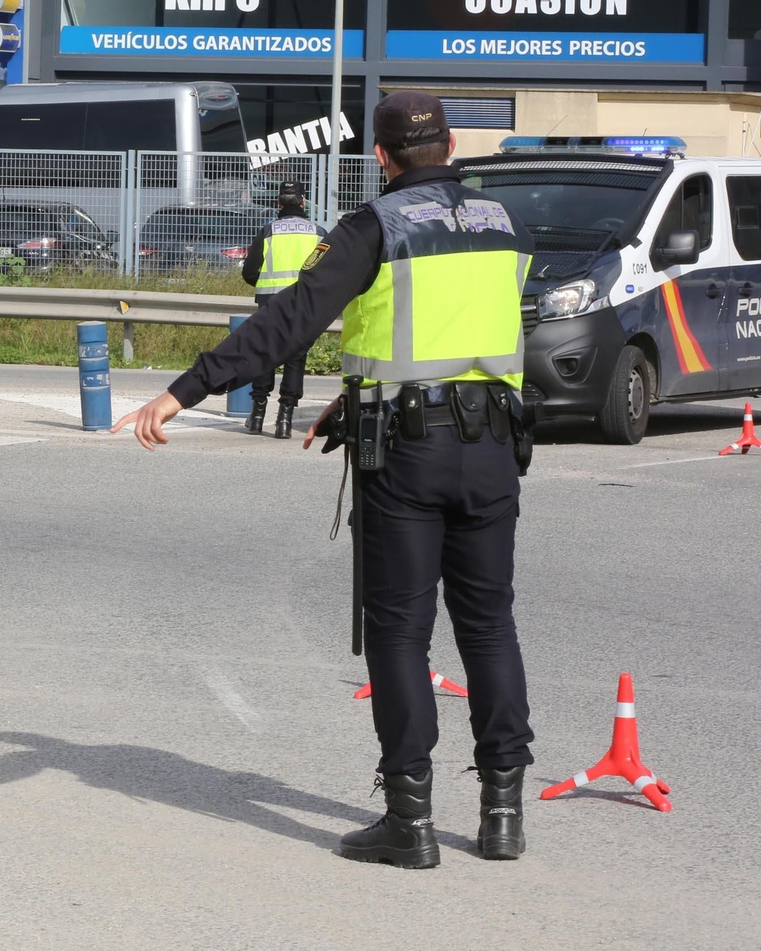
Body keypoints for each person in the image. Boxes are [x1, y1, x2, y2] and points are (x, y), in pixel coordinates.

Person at [112, 93, 536, 869]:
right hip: (494, 445)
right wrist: (363, 391)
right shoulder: (504, 223)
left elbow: (286, 323)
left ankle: (410, 822)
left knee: (400, 632)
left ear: (381, 157)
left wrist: (183, 390)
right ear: (449, 147)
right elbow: (472, 326)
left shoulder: (377, 226)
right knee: (489, 627)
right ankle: (503, 813)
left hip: (409, 455)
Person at [239, 181, 329, 439]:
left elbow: (249, 272)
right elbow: (327, 272)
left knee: (264, 354)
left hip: (270, 302)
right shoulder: (318, 233)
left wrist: (265, 286)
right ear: (303, 202)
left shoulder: (269, 231)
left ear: (278, 202)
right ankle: (285, 421)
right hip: (303, 303)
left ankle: (257, 417)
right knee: (295, 358)